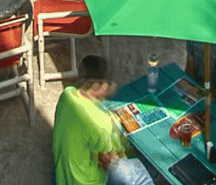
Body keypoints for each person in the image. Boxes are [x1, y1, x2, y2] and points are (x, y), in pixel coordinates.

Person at [52, 55, 153, 185]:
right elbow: (114, 157)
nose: (111, 87)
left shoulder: (67, 94)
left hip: (62, 177)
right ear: (95, 87)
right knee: (136, 169)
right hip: (89, 181)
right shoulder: (102, 124)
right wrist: (116, 125)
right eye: (108, 84)